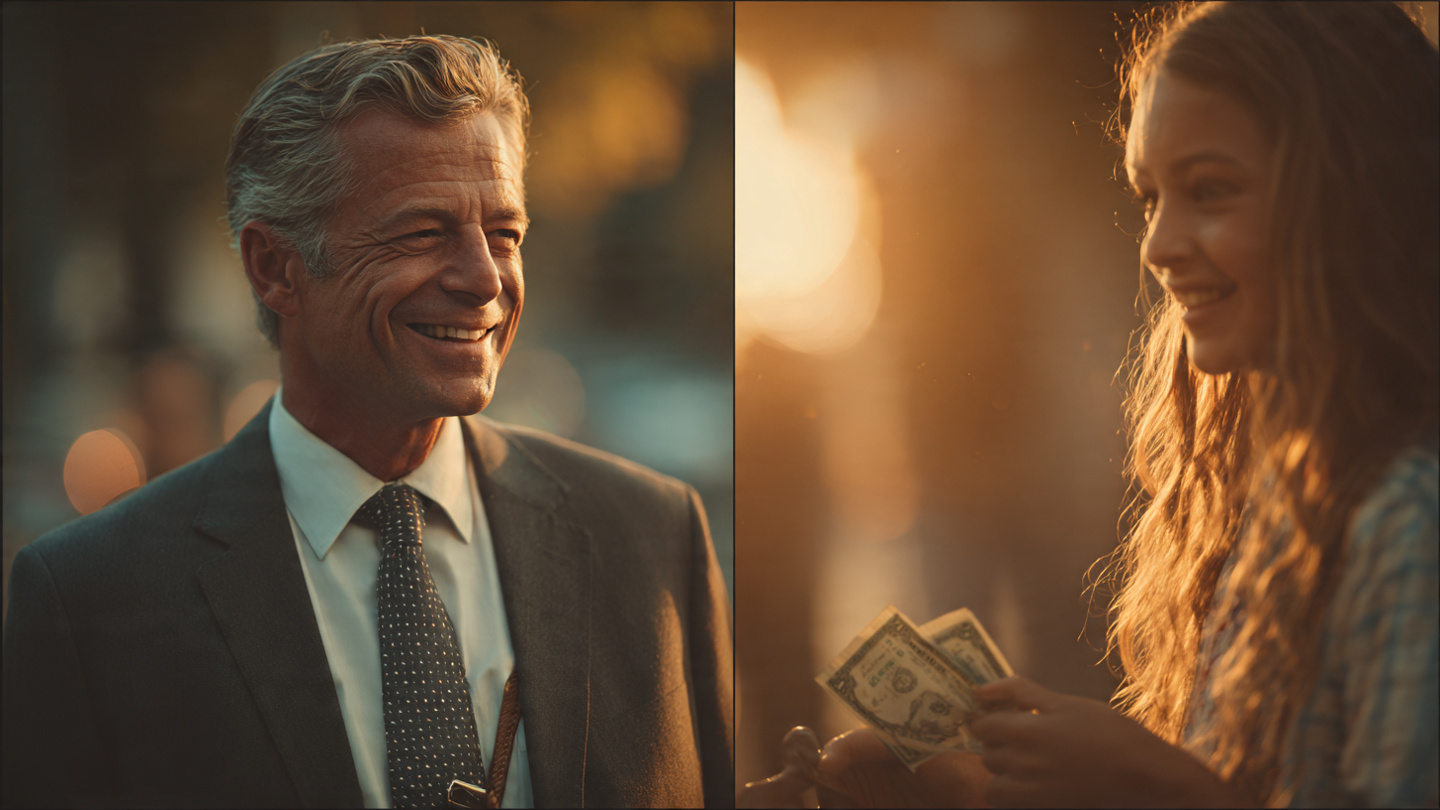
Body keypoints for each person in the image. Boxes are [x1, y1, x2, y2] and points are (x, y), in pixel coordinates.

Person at [3, 35, 733, 809]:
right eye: (423, 232)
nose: (485, 278)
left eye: (505, 234)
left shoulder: (654, 537)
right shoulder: (89, 601)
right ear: (275, 267)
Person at [739, 2, 1438, 807]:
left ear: (1356, 194)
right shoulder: (1272, 504)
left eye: (1209, 191)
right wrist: (977, 791)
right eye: (1150, 198)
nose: (1158, 245)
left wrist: (1147, 779)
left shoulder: (1413, 517)